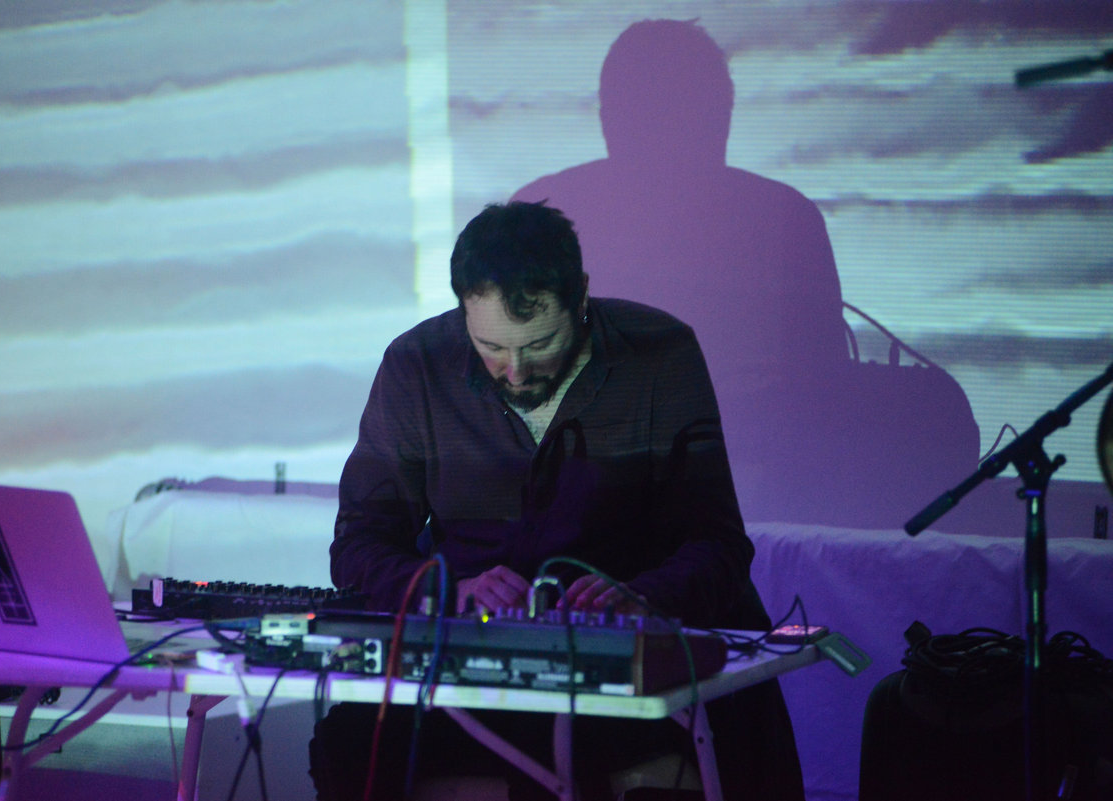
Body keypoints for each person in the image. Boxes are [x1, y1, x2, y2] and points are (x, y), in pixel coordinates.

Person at [310, 200, 804, 801]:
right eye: (491, 346)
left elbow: (718, 543)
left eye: (540, 343)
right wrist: (451, 592)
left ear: (581, 298)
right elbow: (358, 545)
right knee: (348, 743)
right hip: (473, 667)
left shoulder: (659, 354)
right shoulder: (416, 365)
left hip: (628, 673)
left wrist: (643, 599)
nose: (515, 371)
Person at [512, 19, 978, 528]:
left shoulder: (539, 213)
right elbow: (822, 383)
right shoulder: (783, 215)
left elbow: (820, 390)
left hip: (688, 509)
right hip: (728, 512)